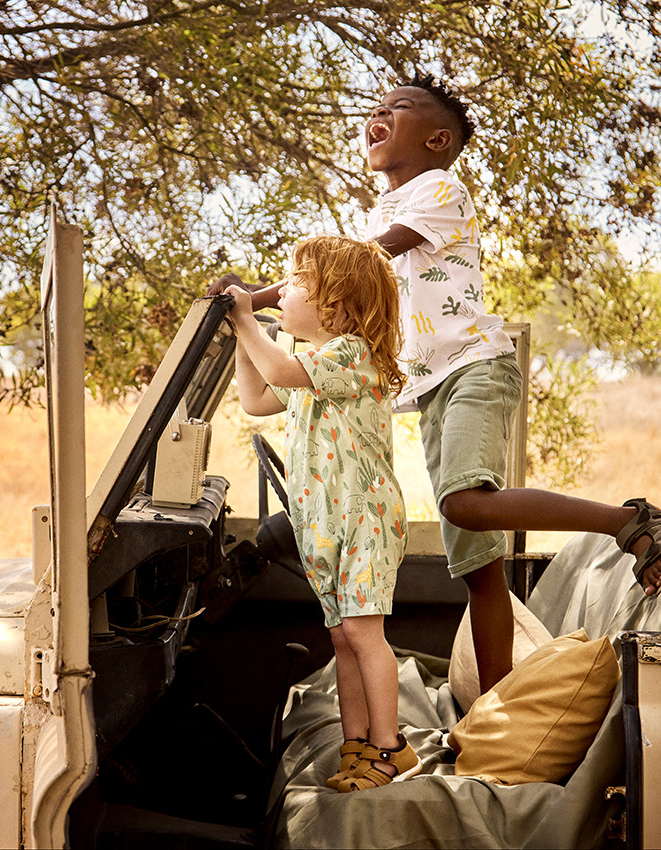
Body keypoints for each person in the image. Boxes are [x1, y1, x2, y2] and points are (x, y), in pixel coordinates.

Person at [212, 73, 661, 695]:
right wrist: (262, 313)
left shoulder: (439, 188)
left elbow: (365, 262)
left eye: (398, 108)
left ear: (437, 138)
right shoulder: (384, 205)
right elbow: (343, 292)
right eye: (377, 107)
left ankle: (629, 522)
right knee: (477, 567)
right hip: (432, 384)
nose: (380, 113)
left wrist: (249, 301)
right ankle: (496, 707)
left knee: (462, 502)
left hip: (474, 363)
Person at [225, 233, 422, 792]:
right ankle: (355, 745)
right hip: (322, 523)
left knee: (363, 634)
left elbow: (281, 375)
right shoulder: (311, 364)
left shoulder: (352, 355)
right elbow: (256, 399)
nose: (281, 291)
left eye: (295, 284)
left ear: (336, 306)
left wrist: (246, 320)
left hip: (363, 519)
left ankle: (391, 748)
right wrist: (249, 335)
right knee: (341, 638)